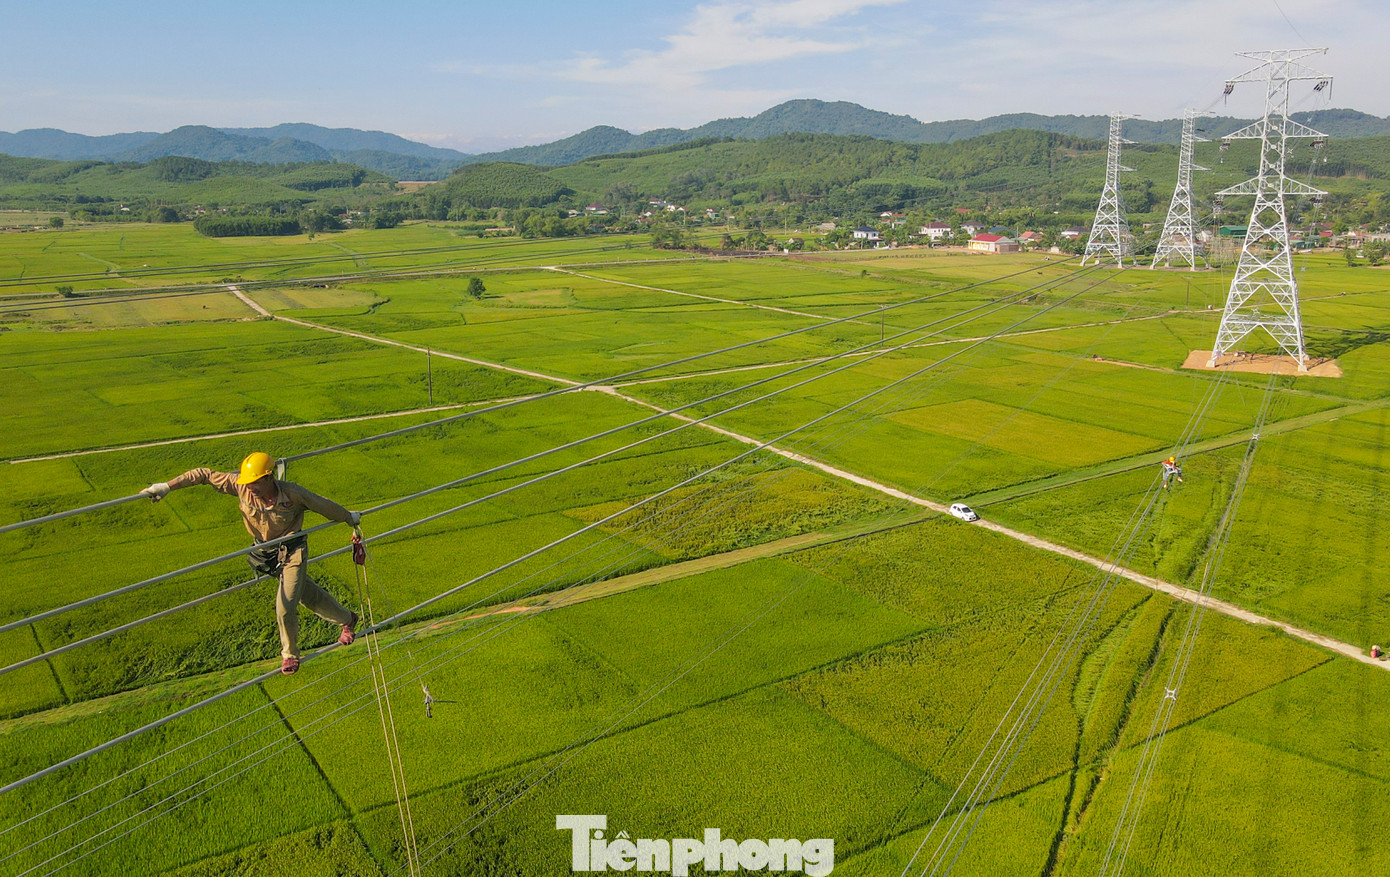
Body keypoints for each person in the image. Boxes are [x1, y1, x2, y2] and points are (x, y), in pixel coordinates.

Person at [142, 452, 362, 675]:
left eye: (255, 482)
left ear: (268, 478)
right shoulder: (240, 486)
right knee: (305, 593)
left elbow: (323, 506)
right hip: (265, 554)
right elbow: (203, 475)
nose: (250, 488)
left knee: (285, 605)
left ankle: (289, 655)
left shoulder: (292, 494)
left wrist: (348, 518)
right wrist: (167, 487)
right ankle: (347, 618)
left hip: (292, 551)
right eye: (247, 482)